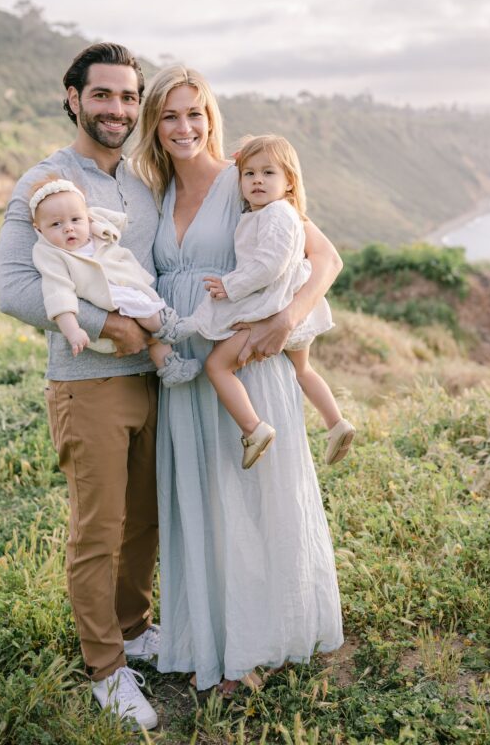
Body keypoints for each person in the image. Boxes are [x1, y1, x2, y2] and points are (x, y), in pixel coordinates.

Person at [132, 65, 345, 693]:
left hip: (248, 364)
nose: (183, 127)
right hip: (188, 366)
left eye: (194, 113)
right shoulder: (152, 193)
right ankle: (215, 639)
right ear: (154, 125)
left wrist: (286, 319)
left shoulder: (245, 179)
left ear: (211, 117)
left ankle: (262, 643)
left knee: (254, 504)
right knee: (203, 503)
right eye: (169, 115)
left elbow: (325, 257)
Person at [0, 43, 162, 730]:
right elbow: (14, 288)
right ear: (73, 97)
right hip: (87, 383)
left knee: (145, 522)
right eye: (102, 95)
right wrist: (106, 326)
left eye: (128, 98)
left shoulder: (139, 185)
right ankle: (106, 669)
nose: (116, 109)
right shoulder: (44, 182)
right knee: (99, 529)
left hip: (152, 382)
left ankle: (135, 625)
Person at [165, 133, 356, 469]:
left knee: (218, 366)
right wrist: (243, 159)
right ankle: (336, 423)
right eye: (249, 174)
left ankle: (254, 429)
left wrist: (230, 285)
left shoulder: (276, 214)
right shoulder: (272, 212)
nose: (257, 180)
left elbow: (269, 264)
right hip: (289, 304)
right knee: (303, 369)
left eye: (269, 173)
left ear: (289, 182)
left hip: (271, 307)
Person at [29, 174, 201, 386]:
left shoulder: (93, 230)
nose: (69, 228)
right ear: (39, 229)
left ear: (87, 217)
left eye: (75, 220)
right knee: (144, 310)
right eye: (56, 224)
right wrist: (73, 331)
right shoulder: (52, 255)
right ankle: (169, 327)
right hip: (106, 301)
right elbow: (58, 294)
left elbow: (115, 220)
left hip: (123, 289)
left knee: (149, 331)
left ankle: (171, 367)